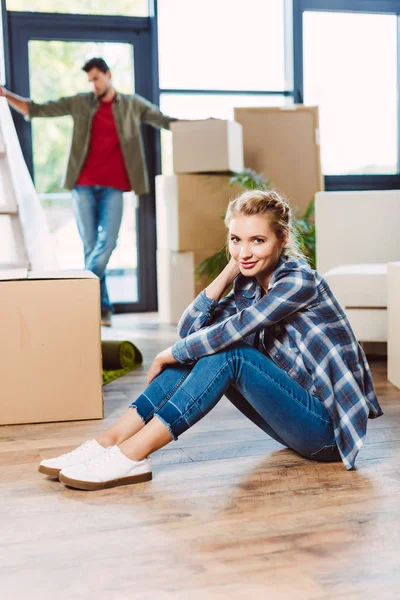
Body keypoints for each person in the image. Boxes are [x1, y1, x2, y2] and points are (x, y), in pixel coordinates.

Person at [38, 189, 383, 491]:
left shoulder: (299, 283)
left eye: (257, 241)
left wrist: (168, 353)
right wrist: (229, 271)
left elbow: (230, 333)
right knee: (202, 350)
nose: (244, 251)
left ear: (281, 239)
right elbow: (191, 331)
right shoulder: (249, 285)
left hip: (328, 434)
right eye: (236, 240)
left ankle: (132, 454)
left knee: (229, 353)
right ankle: (109, 442)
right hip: (294, 425)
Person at [0, 57, 177, 326]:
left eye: (96, 78)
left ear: (108, 75)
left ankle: (77, 291)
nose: (93, 84)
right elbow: (37, 109)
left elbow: (163, 120)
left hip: (115, 188)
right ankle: (101, 308)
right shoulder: (81, 102)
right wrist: (5, 94)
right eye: (90, 80)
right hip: (82, 185)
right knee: (91, 245)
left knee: (106, 245)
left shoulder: (132, 104)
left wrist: (200, 126)